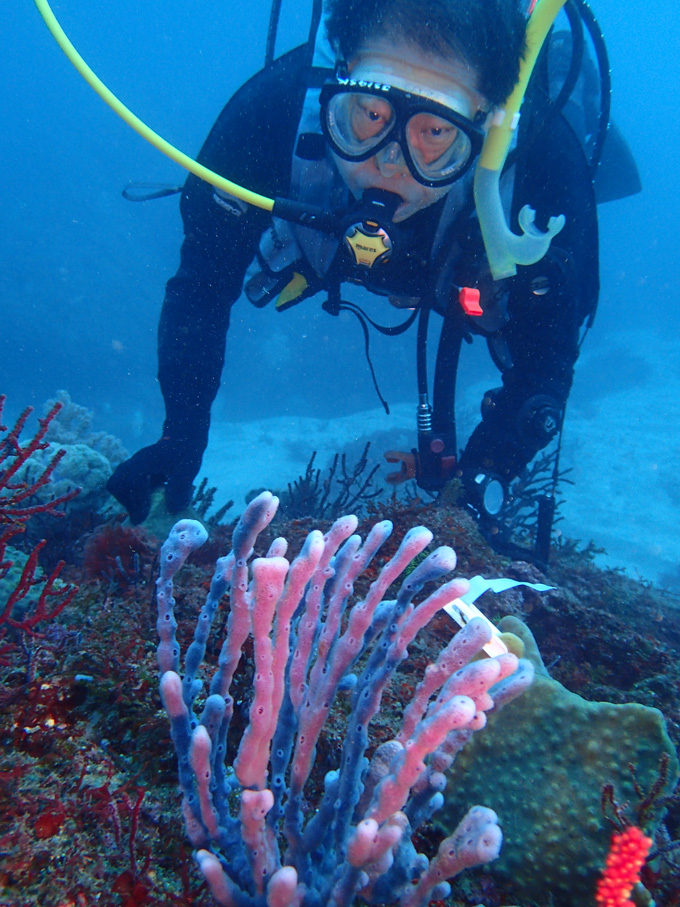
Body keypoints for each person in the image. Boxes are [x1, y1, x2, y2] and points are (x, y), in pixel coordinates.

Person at [106, 0, 632, 528]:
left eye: (434, 132)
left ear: (482, 125)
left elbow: (547, 360)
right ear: (340, 77)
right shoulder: (274, 109)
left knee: (582, 145)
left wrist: (483, 474)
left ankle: (556, 64)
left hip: (477, 233)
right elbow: (202, 283)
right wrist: (182, 432)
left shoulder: (543, 169)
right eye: (370, 115)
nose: (388, 163)